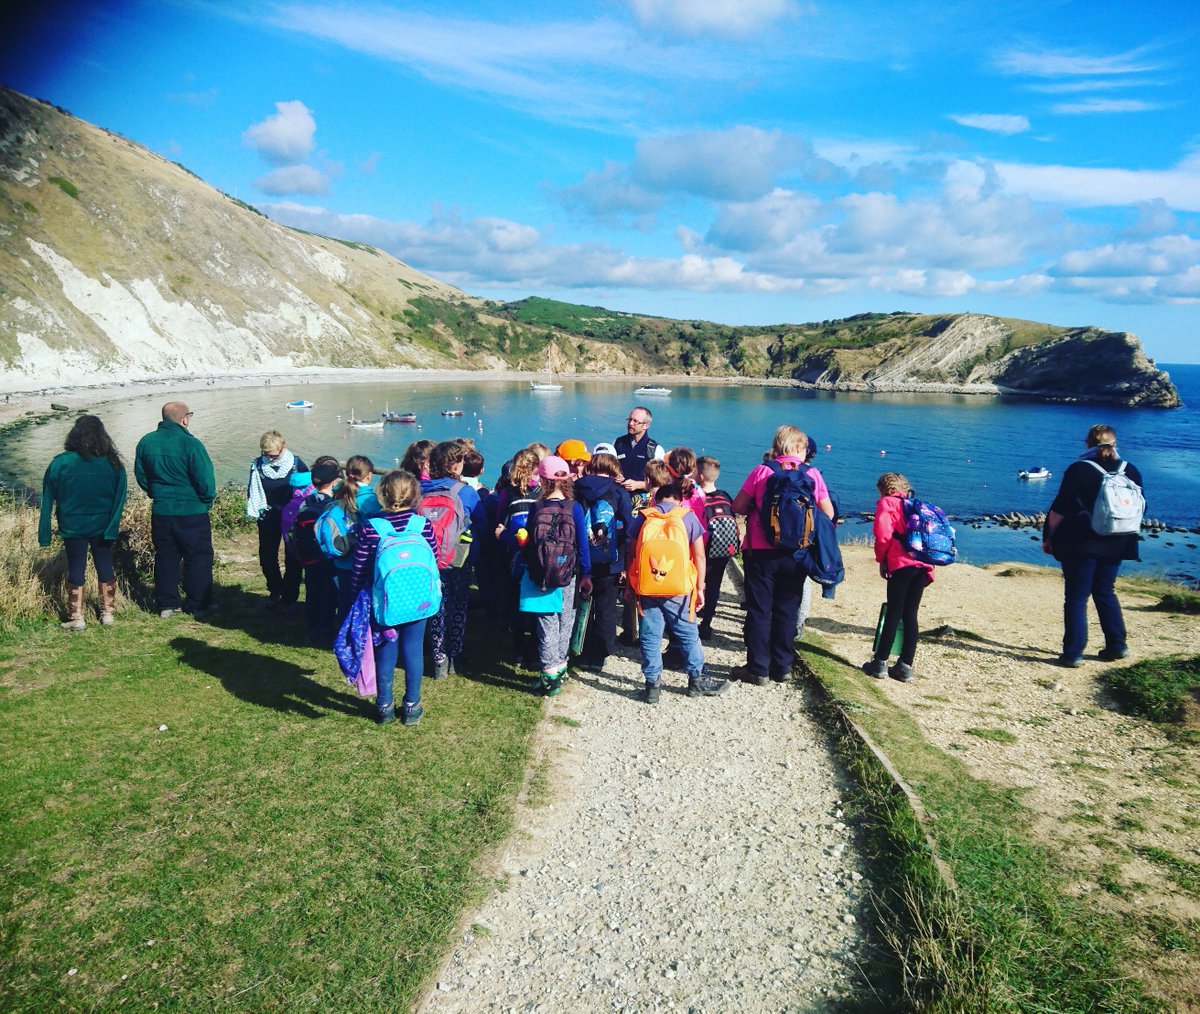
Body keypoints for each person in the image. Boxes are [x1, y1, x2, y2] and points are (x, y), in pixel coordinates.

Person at [730, 425, 834, 686]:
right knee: (788, 609)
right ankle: (783, 666)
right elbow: (828, 513)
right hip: (797, 553)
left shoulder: (763, 471)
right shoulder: (812, 474)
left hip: (761, 551)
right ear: (801, 448)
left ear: (776, 446)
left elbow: (738, 506)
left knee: (759, 610)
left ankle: (758, 668)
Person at [1042, 424, 1144, 666]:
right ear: (1114, 443)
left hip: (1082, 543)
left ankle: (1073, 653)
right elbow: (1141, 505)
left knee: (1077, 597)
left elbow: (1060, 509)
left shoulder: (1079, 469)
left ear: (1088, 443)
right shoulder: (1129, 469)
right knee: (1105, 591)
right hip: (1118, 539)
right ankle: (1117, 645)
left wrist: (1048, 537)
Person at [625, 464, 727, 703]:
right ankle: (697, 679)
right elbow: (700, 556)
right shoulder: (687, 517)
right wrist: (700, 587)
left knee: (651, 635)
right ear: (680, 501)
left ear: (655, 499)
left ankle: (652, 685)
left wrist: (631, 585)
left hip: (648, 586)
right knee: (688, 633)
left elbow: (631, 554)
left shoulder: (644, 517)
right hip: (679, 588)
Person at [350, 469, 439, 726]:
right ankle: (412, 706)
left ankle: (384, 706)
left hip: (384, 603)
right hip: (419, 602)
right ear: (415, 496)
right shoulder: (423, 525)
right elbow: (433, 559)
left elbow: (360, 567)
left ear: (382, 495)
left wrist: (356, 595)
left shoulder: (371, 527)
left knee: (386, 653)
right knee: (413, 652)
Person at [39, 415, 128, 630]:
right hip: (103, 525)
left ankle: (76, 618)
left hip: (73, 525)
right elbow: (120, 499)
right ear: (102, 436)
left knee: (76, 567)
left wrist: (44, 534)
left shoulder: (60, 463)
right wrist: (112, 526)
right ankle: (108, 614)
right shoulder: (113, 464)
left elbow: (47, 499)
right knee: (105, 565)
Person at [134, 401, 217, 619]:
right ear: (184, 419)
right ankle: (199, 604)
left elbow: (141, 475)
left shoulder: (146, 442)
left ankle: (166, 604)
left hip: (162, 510)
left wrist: (156, 493)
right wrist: (206, 500)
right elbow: (205, 481)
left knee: (166, 556)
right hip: (191, 510)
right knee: (198, 556)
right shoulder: (191, 444)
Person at [523, 455, 593, 695]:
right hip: (568, 572)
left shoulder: (537, 507)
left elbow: (531, 543)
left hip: (541, 573)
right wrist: (586, 573)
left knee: (546, 621)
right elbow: (582, 545)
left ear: (543, 479)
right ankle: (560, 667)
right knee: (566, 618)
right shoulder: (575, 507)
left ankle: (549, 675)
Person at [420, 441, 488, 678]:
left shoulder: (420, 489)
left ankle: (438, 659)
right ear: (456, 465)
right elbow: (481, 525)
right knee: (458, 605)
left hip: (427, 558)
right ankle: (454, 655)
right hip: (458, 558)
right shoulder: (466, 492)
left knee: (435, 607)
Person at [861, 473, 933, 683]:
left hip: (901, 563)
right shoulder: (917, 504)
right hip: (922, 563)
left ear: (883, 488)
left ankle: (880, 662)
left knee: (894, 610)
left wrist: (881, 559)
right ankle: (905, 665)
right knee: (911, 614)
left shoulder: (887, 504)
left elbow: (883, 535)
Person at [573, 451, 634, 673]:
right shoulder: (618, 493)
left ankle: (580, 649)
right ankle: (600, 654)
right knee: (607, 609)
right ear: (612, 470)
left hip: (582, 560)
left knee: (583, 605)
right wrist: (626, 564)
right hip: (611, 562)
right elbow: (629, 530)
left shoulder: (577, 489)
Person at [246, 430, 307, 608]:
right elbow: (253, 491)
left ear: (283, 448)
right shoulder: (257, 466)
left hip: (292, 518)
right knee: (267, 556)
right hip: (268, 516)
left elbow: (306, 493)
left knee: (293, 557)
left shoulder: (297, 465)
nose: (270, 459)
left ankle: (290, 596)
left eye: (273, 455)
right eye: (266, 455)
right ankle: (275, 589)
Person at [330, 455, 381, 623]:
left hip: (340, 557)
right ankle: (359, 636)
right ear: (369, 475)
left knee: (343, 599)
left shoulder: (337, 493)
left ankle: (340, 634)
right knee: (362, 601)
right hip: (363, 560)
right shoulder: (371, 500)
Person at [695, 455, 737, 642]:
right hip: (722, 550)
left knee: (697, 583)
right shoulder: (725, 495)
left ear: (701, 477)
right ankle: (706, 624)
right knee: (714, 586)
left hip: (703, 549)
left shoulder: (697, 497)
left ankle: (691, 617)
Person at [614, 406, 665, 495]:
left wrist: (638, 485)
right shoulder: (617, 443)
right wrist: (614, 475)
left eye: (635, 421)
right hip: (617, 497)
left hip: (642, 501)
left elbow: (662, 482)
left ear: (646, 425)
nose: (630, 423)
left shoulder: (655, 449)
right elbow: (607, 469)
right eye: (629, 419)